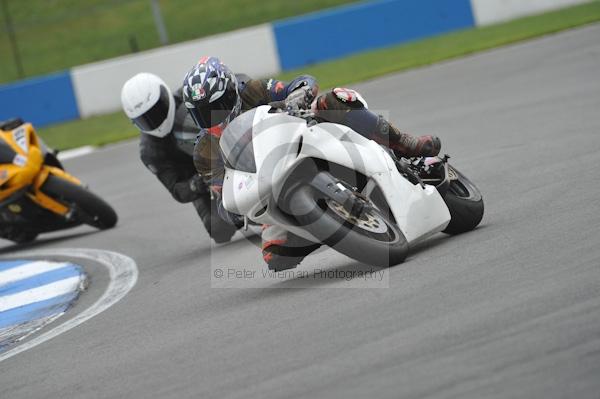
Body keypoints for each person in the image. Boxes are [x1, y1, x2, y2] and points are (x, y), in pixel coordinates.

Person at [182, 56, 441, 270]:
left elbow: (302, 82)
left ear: (231, 92)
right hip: (270, 186)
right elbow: (222, 194)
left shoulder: (252, 90)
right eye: (201, 113)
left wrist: (298, 97)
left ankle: (406, 143)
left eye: (216, 106)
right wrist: (233, 208)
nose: (211, 118)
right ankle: (328, 228)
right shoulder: (204, 153)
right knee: (276, 258)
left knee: (332, 101)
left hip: (301, 138)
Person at [121, 72, 238, 243]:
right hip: (199, 178)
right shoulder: (150, 151)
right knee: (219, 230)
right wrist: (197, 184)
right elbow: (177, 190)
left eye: (157, 111)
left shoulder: (193, 94)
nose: (155, 121)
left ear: (165, 96)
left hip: (225, 148)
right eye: (145, 120)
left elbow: (236, 84)